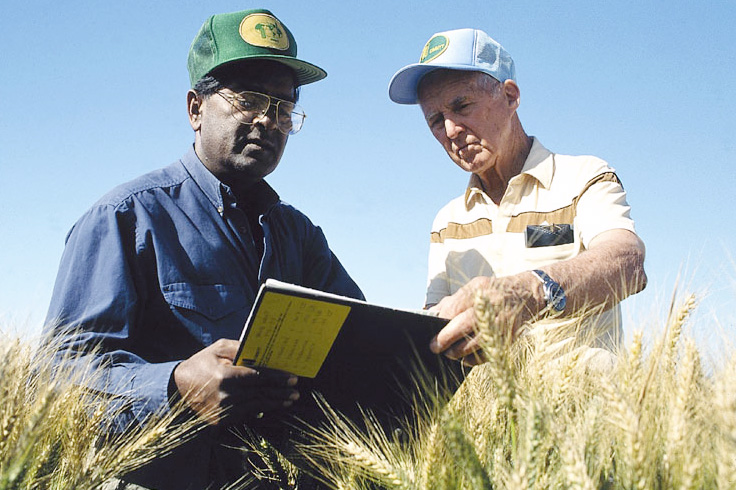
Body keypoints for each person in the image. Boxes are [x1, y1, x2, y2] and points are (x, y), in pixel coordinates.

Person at [43, 8, 362, 489]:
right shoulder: (126, 218)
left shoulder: (300, 236)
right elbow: (56, 377)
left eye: (282, 107)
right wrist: (172, 387)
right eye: (249, 98)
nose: (268, 120)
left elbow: (358, 341)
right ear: (195, 108)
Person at [388, 28, 647, 365]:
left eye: (462, 106)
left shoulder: (583, 178)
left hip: (584, 409)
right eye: (436, 120)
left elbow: (627, 264)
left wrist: (530, 293)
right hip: (488, 416)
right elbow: (436, 329)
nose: (450, 130)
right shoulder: (446, 222)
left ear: (510, 96)